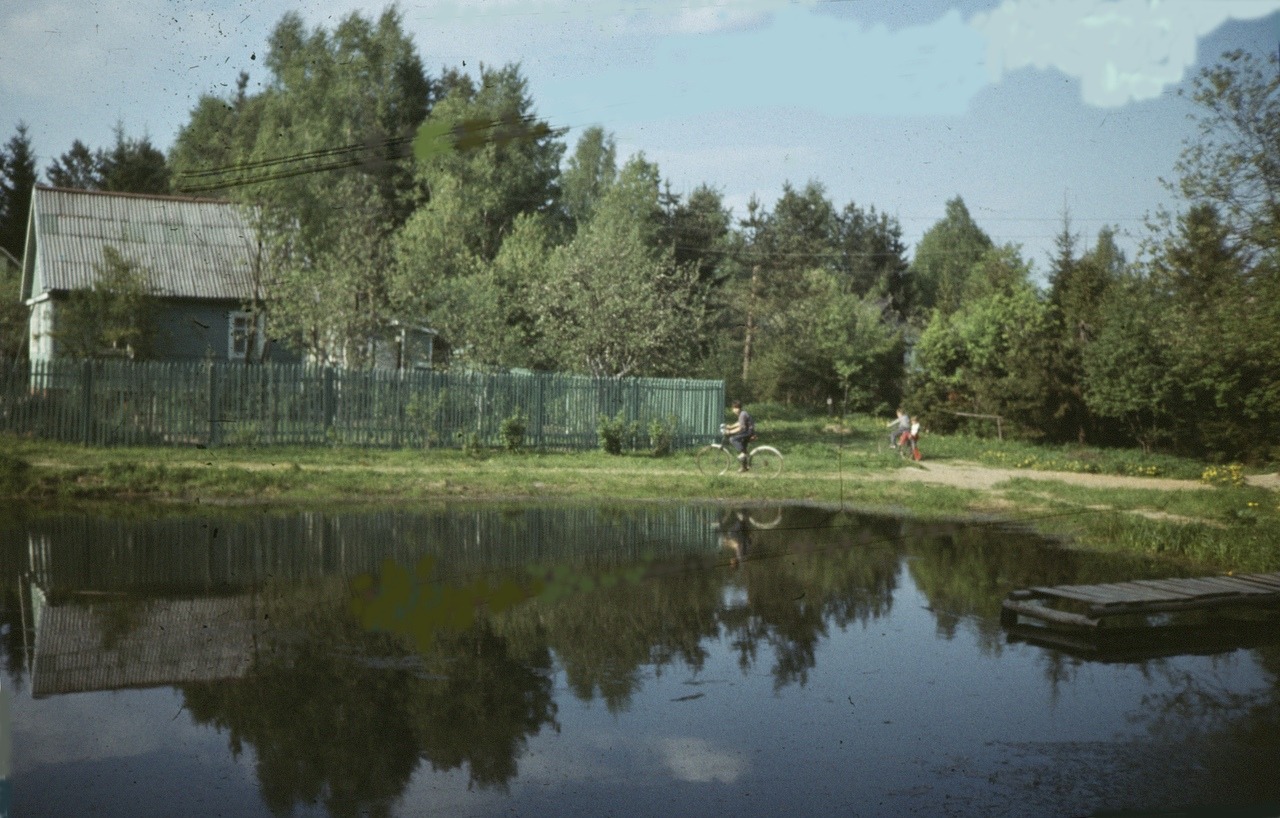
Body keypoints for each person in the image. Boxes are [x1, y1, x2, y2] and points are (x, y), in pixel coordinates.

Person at [724, 400, 755, 471]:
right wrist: (730, 427)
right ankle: (744, 467)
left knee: (732, 439)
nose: (734, 410)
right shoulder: (742, 414)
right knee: (743, 447)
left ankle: (744, 454)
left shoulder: (742, 414)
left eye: (735, 408)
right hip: (748, 431)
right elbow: (739, 423)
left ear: (738, 408)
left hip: (748, 432)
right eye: (733, 408)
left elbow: (741, 428)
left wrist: (730, 432)